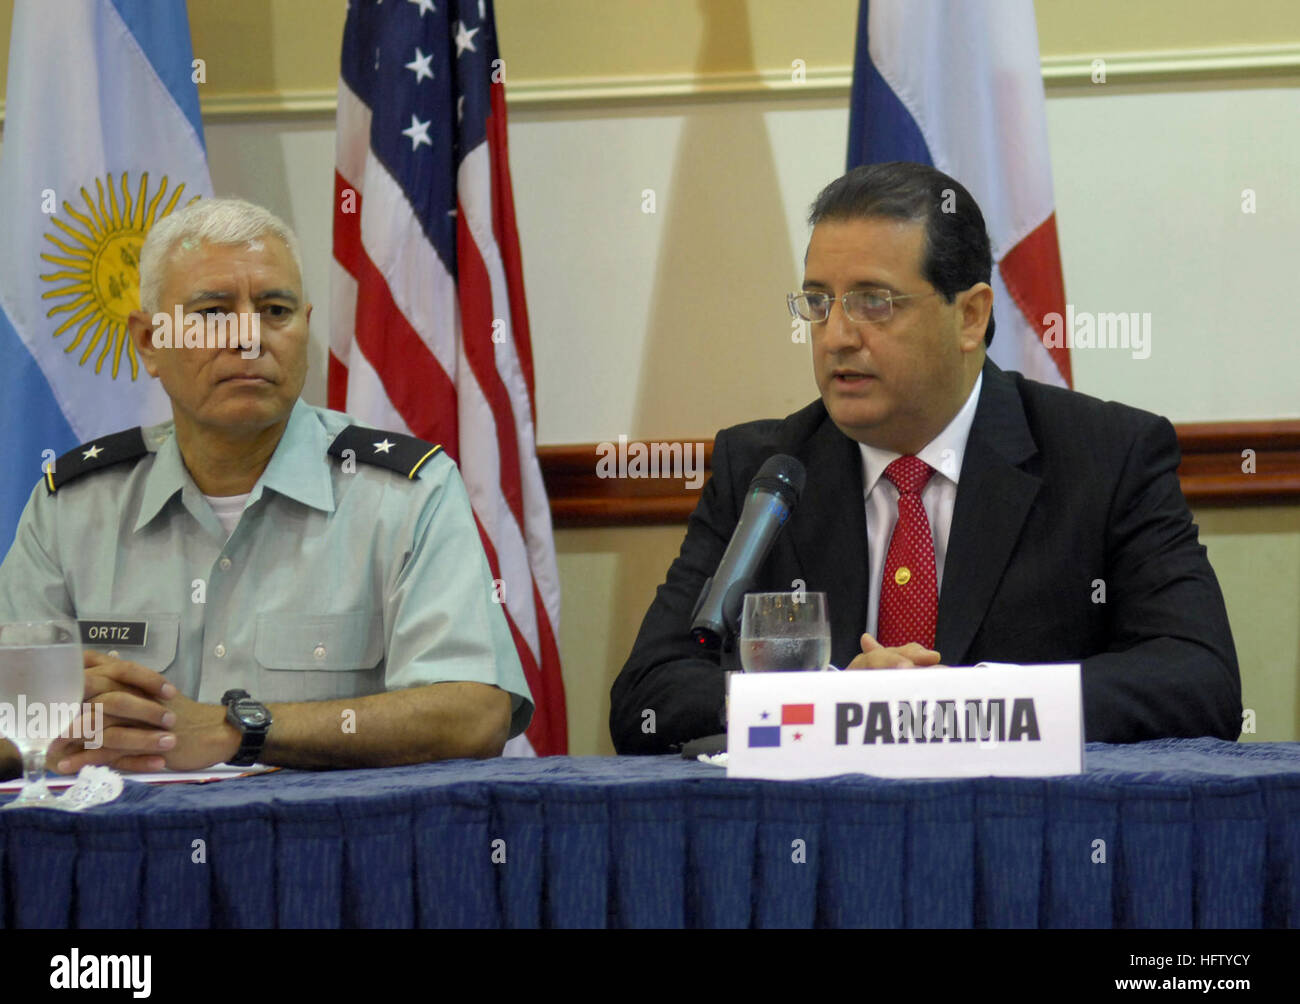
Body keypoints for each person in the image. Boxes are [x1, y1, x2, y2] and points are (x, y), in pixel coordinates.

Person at [610, 161, 1241, 754]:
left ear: (970, 316)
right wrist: (828, 703)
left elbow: (1198, 679)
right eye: (819, 302)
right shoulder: (765, 468)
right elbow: (649, 694)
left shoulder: (1104, 456)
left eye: (873, 302)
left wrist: (958, 705)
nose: (835, 337)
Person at [0, 197, 532, 779]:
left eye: (275, 310)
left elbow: (475, 714)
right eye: (212, 312)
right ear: (150, 341)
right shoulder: (73, 506)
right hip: (122, 855)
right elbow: (11, 717)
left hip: (332, 853)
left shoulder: (407, 495)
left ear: (304, 327)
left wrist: (235, 731)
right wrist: (53, 720)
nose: (249, 337)